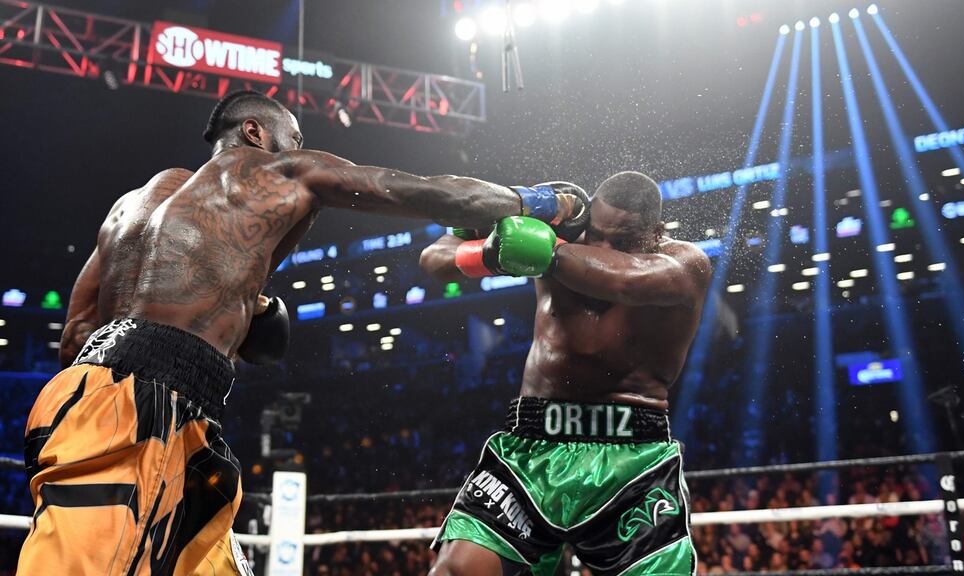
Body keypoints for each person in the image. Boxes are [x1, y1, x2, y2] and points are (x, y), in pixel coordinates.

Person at [19, 90, 585, 576]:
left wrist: (245, 313)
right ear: (254, 132)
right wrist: (541, 202)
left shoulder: (132, 206)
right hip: (140, 410)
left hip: (123, 405)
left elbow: (75, 335)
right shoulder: (281, 171)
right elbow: (428, 191)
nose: (299, 149)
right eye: (293, 138)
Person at [420, 171, 712, 575]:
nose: (605, 246)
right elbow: (434, 259)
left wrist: (542, 245)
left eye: (623, 241)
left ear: (655, 233)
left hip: (631, 462)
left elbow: (622, 281)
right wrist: (493, 249)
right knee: (457, 570)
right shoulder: (564, 236)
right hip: (531, 449)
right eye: (597, 233)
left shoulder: (684, 264)